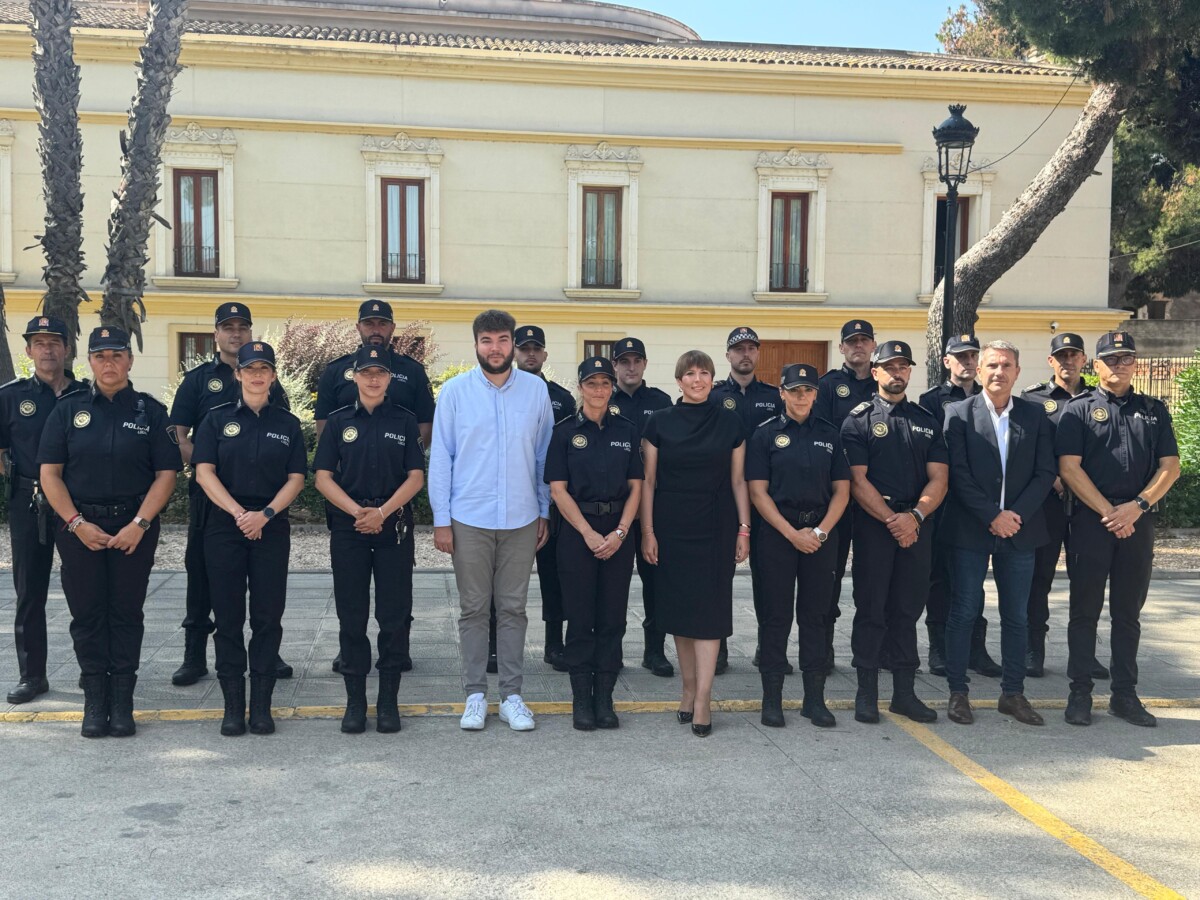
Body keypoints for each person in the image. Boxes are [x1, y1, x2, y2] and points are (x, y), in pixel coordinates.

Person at [38, 326, 181, 738]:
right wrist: (76, 524)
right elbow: (50, 474)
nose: (109, 363)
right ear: (89, 362)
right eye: (100, 356)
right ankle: (94, 701)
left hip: (133, 527)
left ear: (130, 361)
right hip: (79, 527)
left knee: (125, 613)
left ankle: (121, 703)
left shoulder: (150, 412)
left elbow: (166, 475)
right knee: (87, 614)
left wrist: (139, 524)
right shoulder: (67, 410)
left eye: (117, 355)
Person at [429, 309, 554, 733]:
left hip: (521, 517)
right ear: (476, 344)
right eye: (487, 340)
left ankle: (513, 696)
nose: (495, 348)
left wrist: (543, 510)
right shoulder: (454, 392)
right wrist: (441, 520)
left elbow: (543, 457)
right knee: (473, 609)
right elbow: (441, 458)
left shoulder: (535, 391)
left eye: (502, 340)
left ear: (513, 344)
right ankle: (475, 695)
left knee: (514, 608)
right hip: (469, 517)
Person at [1056, 331, 1180, 728]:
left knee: (1128, 614)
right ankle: (1079, 694)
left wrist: (1137, 507)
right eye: (1111, 359)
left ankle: (1124, 695)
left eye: (1126, 358)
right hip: (1092, 522)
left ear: (1135, 364)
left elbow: (1170, 467)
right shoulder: (1078, 410)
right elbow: (1069, 468)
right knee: (1084, 613)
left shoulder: (1154, 410)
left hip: (1137, 521)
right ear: (1096, 365)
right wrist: (1111, 512)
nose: (1119, 365)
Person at [169, 302, 293, 687]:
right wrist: (211, 463)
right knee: (202, 574)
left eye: (242, 327)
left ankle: (267, 655)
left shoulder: (269, 379)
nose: (235, 333)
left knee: (265, 587)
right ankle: (194, 656)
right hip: (210, 500)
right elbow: (178, 435)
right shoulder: (197, 380)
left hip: (262, 504)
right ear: (216, 333)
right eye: (228, 327)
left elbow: (280, 433)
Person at [193, 342, 307, 737]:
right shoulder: (215, 419)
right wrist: (240, 514)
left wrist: (265, 515)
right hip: (225, 526)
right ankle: (231, 707)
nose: (257, 375)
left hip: (270, 527)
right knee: (227, 618)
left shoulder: (288, 424)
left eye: (264, 369)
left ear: (273, 376)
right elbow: (204, 472)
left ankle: (261, 706)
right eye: (250, 369)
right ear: (238, 374)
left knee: (267, 618)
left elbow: (296, 478)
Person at [941, 342, 1056, 726]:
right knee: (964, 611)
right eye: (991, 365)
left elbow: (1045, 472)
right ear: (979, 370)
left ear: (1017, 372)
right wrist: (992, 515)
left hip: (1020, 530)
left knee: (1017, 616)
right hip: (971, 528)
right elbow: (957, 473)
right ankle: (958, 693)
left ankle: (1013, 693)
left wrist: (1014, 516)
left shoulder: (1034, 415)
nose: (998, 372)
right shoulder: (958, 414)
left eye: (1006, 365)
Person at [317, 299, 434, 675]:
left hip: (393, 509)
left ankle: (395, 656)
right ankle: (352, 658)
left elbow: (419, 455)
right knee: (350, 598)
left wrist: (383, 509)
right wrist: (358, 511)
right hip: (348, 511)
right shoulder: (337, 391)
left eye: (382, 322)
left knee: (395, 597)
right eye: (369, 322)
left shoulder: (409, 391)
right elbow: (324, 460)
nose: (376, 328)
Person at [314, 346, 425, 734]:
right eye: (367, 373)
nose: (373, 379)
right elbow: (322, 477)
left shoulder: (405, 421)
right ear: (355, 377)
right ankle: (356, 702)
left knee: (393, 616)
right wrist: (358, 512)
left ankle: (388, 701)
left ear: (389, 378)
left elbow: (416, 477)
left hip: (393, 527)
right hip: (350, 529)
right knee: (352, 616)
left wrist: (382, 513)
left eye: (380, 373)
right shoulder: (339, 421)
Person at [641, 350, 751, 737]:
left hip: (717, 527)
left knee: (708, 616)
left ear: (712, 379)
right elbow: (648, 482)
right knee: (681, 616)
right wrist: (648, 531)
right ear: (679, 381)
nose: (698, 379)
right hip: (672, 528)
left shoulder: (731, 422)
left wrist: (744, 529)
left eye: (704, 372)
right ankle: (687, 689)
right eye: (690, 373)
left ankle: (703, 697)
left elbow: (739, 481)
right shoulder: (659, 422)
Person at [841, 340, 948, 724]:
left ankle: (904, 693)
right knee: (871, 609)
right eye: (889, 367)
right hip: (875, 527)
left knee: (908, 609)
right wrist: (893, 520)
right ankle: (866, 693)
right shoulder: (858, 420)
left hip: (916, 526)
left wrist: (914, 517)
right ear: (875, 372)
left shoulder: (926, 420)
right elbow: (857, 481)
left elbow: (940, 477)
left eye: (903, 366)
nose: (897, 372)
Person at [746, 363, 849, 729]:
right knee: (775, 617)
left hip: (821, 535)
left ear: (816, 394)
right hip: (778, 535)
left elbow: (842, 491)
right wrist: (792, 534)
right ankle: (772, 699)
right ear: (782, 393)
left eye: (807, 390)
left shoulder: (830, 434)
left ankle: (814, 700)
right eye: (794, 390)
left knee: (816, 616)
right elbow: (758, 492)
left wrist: (818, 533)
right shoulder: (765, 434)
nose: (801, 396)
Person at [546, 357, 642, 730]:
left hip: (618, 531)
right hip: (577, 533)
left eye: (604, 383)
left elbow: (636, 487)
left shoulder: (627, 430)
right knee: (580, 617)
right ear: (580, 387)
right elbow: (558, 490)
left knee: (612, 619)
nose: (599, 390)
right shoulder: (564, 432)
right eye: (591, 383)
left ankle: (604, 699)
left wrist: (621, 532)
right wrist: (587, 533)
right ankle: (581, 701)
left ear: (611, 388)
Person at [0, 316, 87, 704]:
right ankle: (32, 676)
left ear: (67, 349)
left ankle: (91, 669)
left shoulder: (86, 395)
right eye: (39, 343)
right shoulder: (10, 396)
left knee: (84, 589)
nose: (47, 349)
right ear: (28, 350)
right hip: (28, 503)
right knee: (29, 590)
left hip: (77, 503)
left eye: (54, 342)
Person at [1020, 333, 1107, 679]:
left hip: (1088, 504)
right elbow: (1026, 447)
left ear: (1084, 360)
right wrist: (1054, 478)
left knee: (1087, 579)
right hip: (1047, 502)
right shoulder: (1033, 399)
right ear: (1051, 361)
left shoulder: (1099, 398)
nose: (1068, 361)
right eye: (1061, 356)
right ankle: (1033, 649)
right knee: (1039, 577)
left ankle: (1084, 654)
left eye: (1074, 355)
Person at [919, 334, 1000, 679]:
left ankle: (975, 649)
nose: (967, 362)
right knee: (940, 576)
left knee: (973, 578)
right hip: (944, 500)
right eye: (961, 357)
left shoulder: (990, 397)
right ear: (946, 361)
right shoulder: (931, 400)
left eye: (972, 356)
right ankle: (938, 648)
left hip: (978, 502)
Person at [713, 326, 781, 676]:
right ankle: (718, 649)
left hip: (767, 498)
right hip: (724, 497)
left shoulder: (774, 396)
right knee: (719, 577)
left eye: (751, 348)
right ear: (728, 355)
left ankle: (768, 649)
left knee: (769, 579)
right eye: (738, 349)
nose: (745, 354)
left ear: (757, 354)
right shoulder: (713, 395)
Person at [812, 320, 878, 675]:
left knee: (873, 576)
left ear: (873, 345)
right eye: (852, 342)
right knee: (829, 576)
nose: (858, 346)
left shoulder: (883, 382)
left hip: (875, 497)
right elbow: (821, 437)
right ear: (841, 348)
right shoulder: (827, 386)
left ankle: (871, 650)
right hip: (836, 497)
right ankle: (823, 648)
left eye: (864, 340)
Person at [608, 336, 673, 677]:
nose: (631, 367)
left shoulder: (661, 402)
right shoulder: (604, 397)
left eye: (637, 360)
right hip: (615, 505)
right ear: (615, 365)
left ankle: (654, 650)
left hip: (654, 506)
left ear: (645, 364)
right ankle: (612, 650)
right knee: (614, 583)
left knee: (657, 581)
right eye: (624, 361)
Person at [514, 325, 575, 673]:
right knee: (503, 579)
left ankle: (555, 643)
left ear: (545, 355)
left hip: (551, 498)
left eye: (536, 348)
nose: (530, 354)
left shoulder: (561, 398)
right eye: (524, 348)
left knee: (554, 575)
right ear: (515, 353)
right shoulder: (504, 391)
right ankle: (496, 646)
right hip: (514, 497)